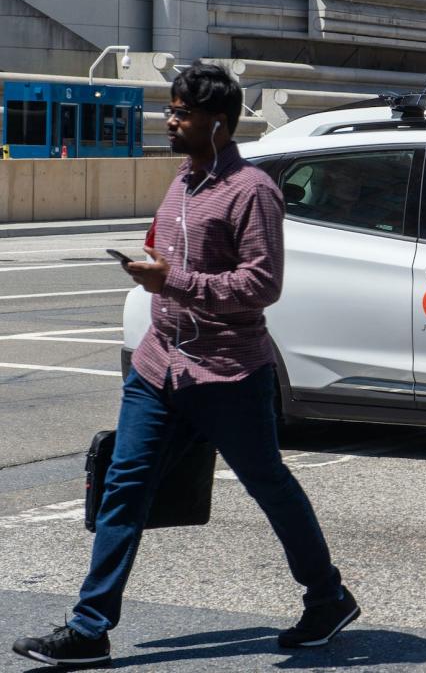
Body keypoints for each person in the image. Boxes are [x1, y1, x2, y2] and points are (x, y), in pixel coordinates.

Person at [12, 63, 359, 668]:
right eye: (171, 109)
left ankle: (327, 598)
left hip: (226, 372)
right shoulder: (183, 180)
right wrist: (154, 267)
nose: (171, 120)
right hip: (159, 367)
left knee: (268, 485)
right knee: (124, 488)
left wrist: (172, 279)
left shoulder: (252, 190)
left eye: (183, 113)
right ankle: (89, 629)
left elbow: (261, 284)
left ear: (217, 124)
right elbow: (173, 255)